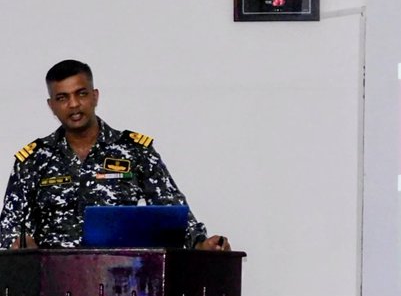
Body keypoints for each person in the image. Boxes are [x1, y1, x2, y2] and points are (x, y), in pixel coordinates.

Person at [0, 59, 229, 251]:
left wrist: (200, 243)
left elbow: (172, 211)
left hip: (121, 280)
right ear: (51, 105)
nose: (74, 104)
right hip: (54, 285)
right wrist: (18, 242)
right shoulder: (33, 160)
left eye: (81, 94)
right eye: (62, 98)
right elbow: (10, 227)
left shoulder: (135, 151)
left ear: (95, 96)